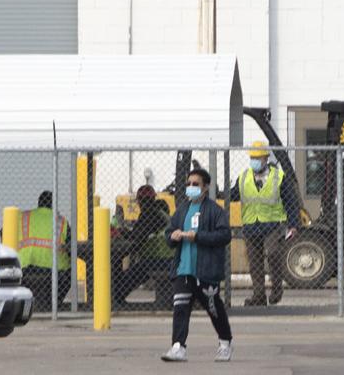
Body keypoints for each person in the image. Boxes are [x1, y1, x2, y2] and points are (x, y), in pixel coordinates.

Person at [161, 168, 232, 364]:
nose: (191, 188)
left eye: (196, 184)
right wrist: (173, 237)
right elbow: (168, 233)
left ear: (205, 187)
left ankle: (225, 343)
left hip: (206, 272)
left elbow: (225, 235)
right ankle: (178, 346)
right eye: (189, 184)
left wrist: (198, 236)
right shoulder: (182, 210)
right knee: (180, 308)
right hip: (184, 271)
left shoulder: (215, 211)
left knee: (214, 308)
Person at [230, 141, 303, 306]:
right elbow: (233, 195)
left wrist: (294, 224)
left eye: (258, 157)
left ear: (266, 158)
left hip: (272, 225)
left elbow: (290, 201)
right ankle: (259, 296)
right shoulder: (244, 177)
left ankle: (276, 289)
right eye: (252, 157)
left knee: (273, 254)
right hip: (251, 225)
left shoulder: (278, 177)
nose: (254, 161)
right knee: (255, 263)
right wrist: (217, 192)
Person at [112, 185, 172, 306]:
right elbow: (139, 236)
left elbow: (137, 237)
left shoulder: (149, 215)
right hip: (165, 258)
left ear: (141, 201)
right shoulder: (160, 213)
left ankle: (116, 297)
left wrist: (121, 232)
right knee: (134, 270)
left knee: (133, 273)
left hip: (158, 260)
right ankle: (117, 297)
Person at [16, 191, 70, 311]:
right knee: (71, 272)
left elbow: (3, 232)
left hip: (25, 266)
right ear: (54, 204)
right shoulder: (61, 221)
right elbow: (71, 245)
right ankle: (54, 304)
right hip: (56, 269)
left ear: (39, 203)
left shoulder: (23, 216)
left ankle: (26, 303)